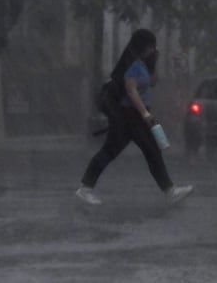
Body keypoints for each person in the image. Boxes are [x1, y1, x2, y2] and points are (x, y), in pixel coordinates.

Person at [76, 28, 193, 205]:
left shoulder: (141, 64)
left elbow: (152, 83)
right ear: (142, 46)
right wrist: (145, 113)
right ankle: (170, 191)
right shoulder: (131, 65)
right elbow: (131, 91)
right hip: (130, 115)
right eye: (151, 46)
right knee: (146, 150)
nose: (153, 49)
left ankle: (85, 188)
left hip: (132, 115)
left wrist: (155, 62)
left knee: (119, 151)